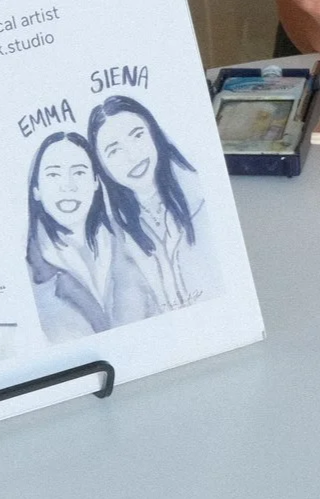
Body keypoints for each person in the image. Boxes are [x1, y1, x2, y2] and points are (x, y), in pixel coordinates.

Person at [24, 130, 159, 341]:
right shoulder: (29, 273)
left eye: (79, 172)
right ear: (36, 190)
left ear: (96, 182)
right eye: (53, 174)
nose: (68, 185)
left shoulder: (130, 243)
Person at [87, 95, 209, 312]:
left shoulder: (201, 194)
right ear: (101, 165)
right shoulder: (109, 236)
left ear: (154, 133)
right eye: (114, 150)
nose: (132, 155)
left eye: (137, 136)